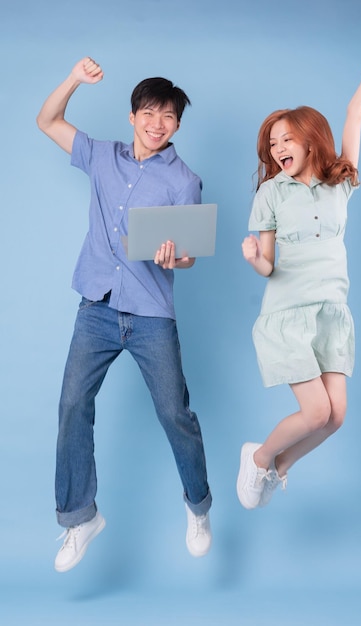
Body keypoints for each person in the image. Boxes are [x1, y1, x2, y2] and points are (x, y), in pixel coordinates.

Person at [36, 57, 212, 572]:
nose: (158, 123)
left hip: (152, 314)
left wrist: (173, 255)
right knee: (72, 405)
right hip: (97, 305)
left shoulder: (185, 180)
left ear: (178, 125)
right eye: (150, 112)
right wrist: (72, 79)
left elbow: (190, 254)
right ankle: (79, 518)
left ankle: (198, 506)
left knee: (174, 413)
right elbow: (47, 121)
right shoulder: (101, 156)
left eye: (169, 117)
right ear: (133, 115)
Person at [237, 28, 361, 509]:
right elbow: (267, 267)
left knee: (336, 416)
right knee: (316, 410)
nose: (278, 147)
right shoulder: (270, 194)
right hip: (288, 313)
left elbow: (355, 112)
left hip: (332, 311)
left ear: (310, 141)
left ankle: (280, 466)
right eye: (272, 142)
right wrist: (255, 258)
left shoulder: (340, 183)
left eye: (287, 138)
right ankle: (259, 457)